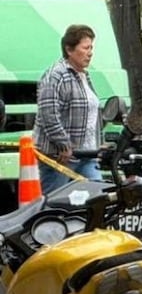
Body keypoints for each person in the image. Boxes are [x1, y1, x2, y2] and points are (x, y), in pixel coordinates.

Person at [34, 24, 103, 193]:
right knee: (55, 204)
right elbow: (48, 113)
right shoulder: (56, 75)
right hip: (60, 158)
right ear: (69, 50)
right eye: (85, 48)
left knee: (98, 197)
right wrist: (63, 144)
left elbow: (91, 114)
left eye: (91, 48)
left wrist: (99, 142)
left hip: (86, 155)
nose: (90, 52)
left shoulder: (83, 75)